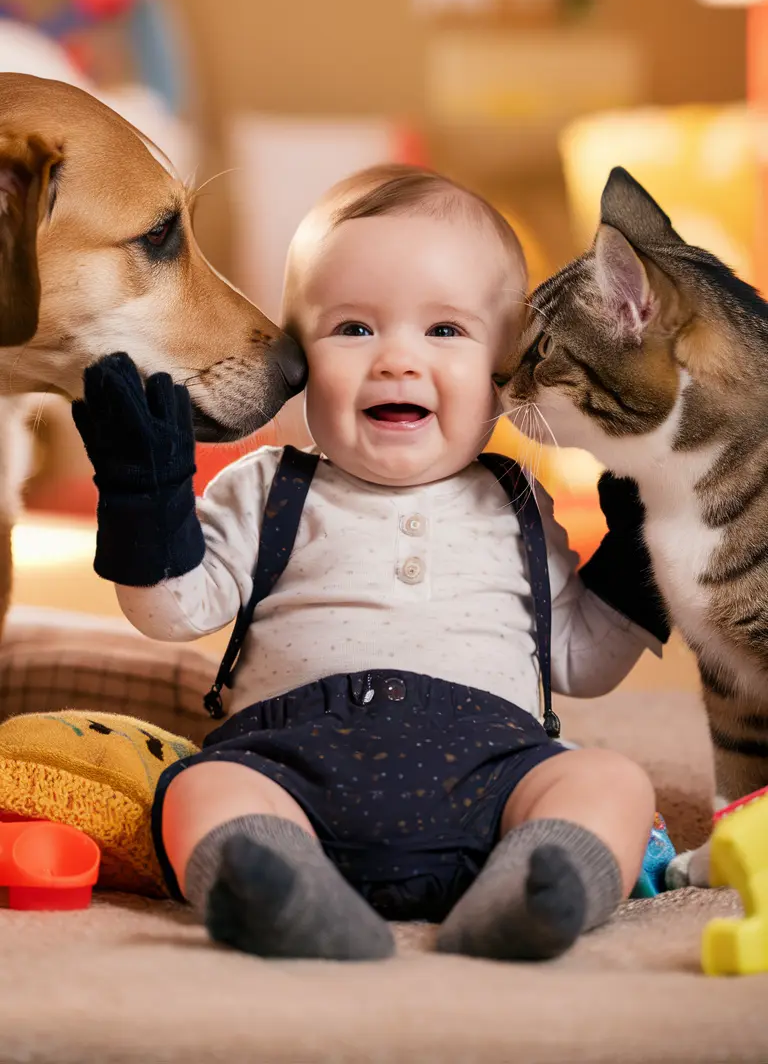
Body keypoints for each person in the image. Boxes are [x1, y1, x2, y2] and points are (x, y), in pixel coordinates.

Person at [71, 164, 669, 962]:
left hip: (493, 776)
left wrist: (644, 542)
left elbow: (583, 660)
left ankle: (541, 880)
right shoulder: (269, 485)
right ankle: (273, 880)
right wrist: (146, 494)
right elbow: (170, 608)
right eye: (353, 329)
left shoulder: (516, 500)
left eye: (445, 331)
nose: (396, 360)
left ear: (504, 370)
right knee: (197, 789)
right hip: (289, 768)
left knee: (611, 782)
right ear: (298, 358)